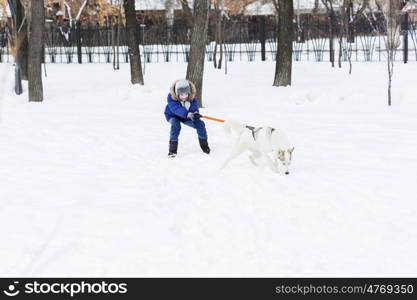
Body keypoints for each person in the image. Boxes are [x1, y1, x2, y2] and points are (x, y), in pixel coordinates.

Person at [164, 79, 210, 157]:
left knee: (200, 124)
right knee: (176, 126)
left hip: (187, 116)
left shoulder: (192, 97)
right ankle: (172, 151)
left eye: (186, 94)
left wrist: (195, 113)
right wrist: (187, 114)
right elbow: (176, 109)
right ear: (177, 94)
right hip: (173, 115)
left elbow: (194, 107)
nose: (184, 97)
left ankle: (204, 146)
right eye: (181, 95)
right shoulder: (171, 97)